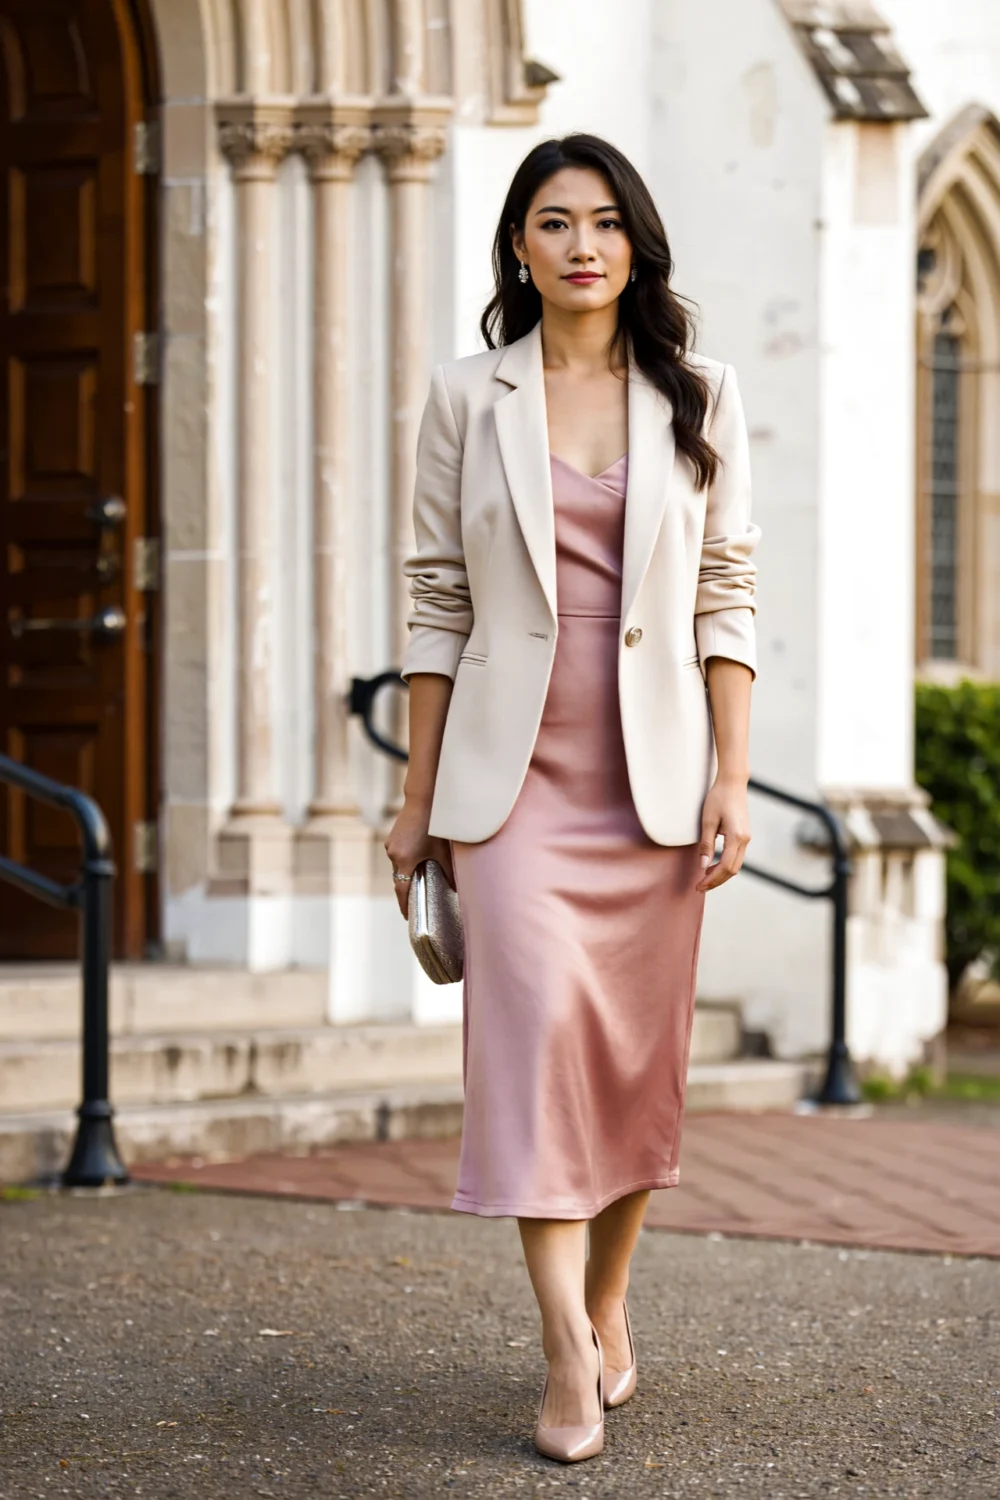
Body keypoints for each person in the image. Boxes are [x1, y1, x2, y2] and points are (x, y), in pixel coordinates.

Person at [384, 133, 760, 1464]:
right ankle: (558, 1351)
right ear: (520, 247)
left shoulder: (700, 394)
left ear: (635, 243)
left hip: (651, 784)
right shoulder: (465, 397)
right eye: (554, 222)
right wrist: (414, 796)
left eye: (603, 222)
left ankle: (607, 1300)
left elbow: (727, 594)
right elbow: (437, 598)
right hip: (512, 783)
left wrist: (732, 772)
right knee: (537, 1052)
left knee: (629, 1071)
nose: (582, 244)